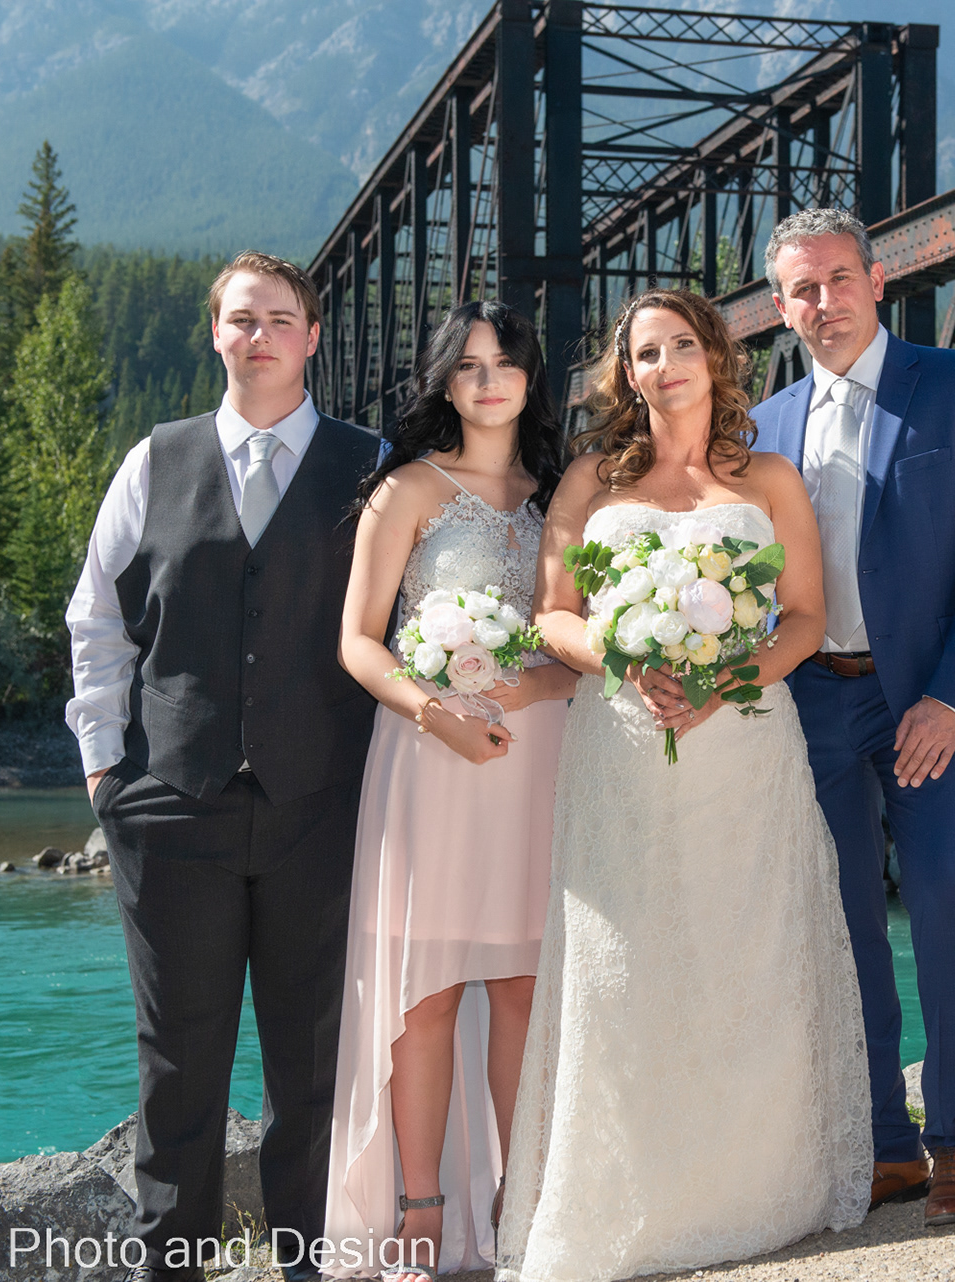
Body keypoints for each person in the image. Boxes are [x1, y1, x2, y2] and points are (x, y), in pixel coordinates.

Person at [495, 289, 871, 1282]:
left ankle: (755, 1192)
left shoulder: (772, 479)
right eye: (643, 353)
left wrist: (728, 680)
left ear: (714, 355)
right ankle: (624, 1205)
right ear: (627, 375)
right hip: (620, 748)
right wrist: (622, 652)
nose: (663, 366)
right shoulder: (588, 481)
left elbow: (802, 618)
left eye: (679, 346)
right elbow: (553, 615)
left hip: (743, 746)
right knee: (623, 964)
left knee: (743, 951)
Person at [65, 251, 381, 1282]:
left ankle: (306, 1262)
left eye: (280, 318)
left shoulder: (369, 464)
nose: (260, 336)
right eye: (241, 318)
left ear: (312, 336)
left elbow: (403, 628)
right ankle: (172, 1267)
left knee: (313, 1058)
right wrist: (106, 774)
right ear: (216, 333)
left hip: (321, 809)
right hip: (169, 806)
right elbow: (98, 624)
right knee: (179, 1060)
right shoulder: (153, 461)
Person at [747, 209, 955, 1227]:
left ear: (876, 279)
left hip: (928, 698)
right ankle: (885, 1143)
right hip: (814, 696)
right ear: (781, 308)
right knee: (847, 924)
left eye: (838, 279)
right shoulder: (765, 426)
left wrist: (953, 699)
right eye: (801, 290)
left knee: (947, 897)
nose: (823, 303)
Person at [321, 301, 577, 1279]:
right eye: (466, 366)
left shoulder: (563, 496)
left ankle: (518, 1206)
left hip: (534, 760)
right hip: (428, 758)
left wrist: (536, 684)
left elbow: (575, 655)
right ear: (444, 382)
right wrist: (437, 711)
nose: (486, 380)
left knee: (521, 986)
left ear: (528, 376)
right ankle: (419, 1210)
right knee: (425, 994)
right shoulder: (406, 492)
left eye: (503, 362)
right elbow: (357, 641)